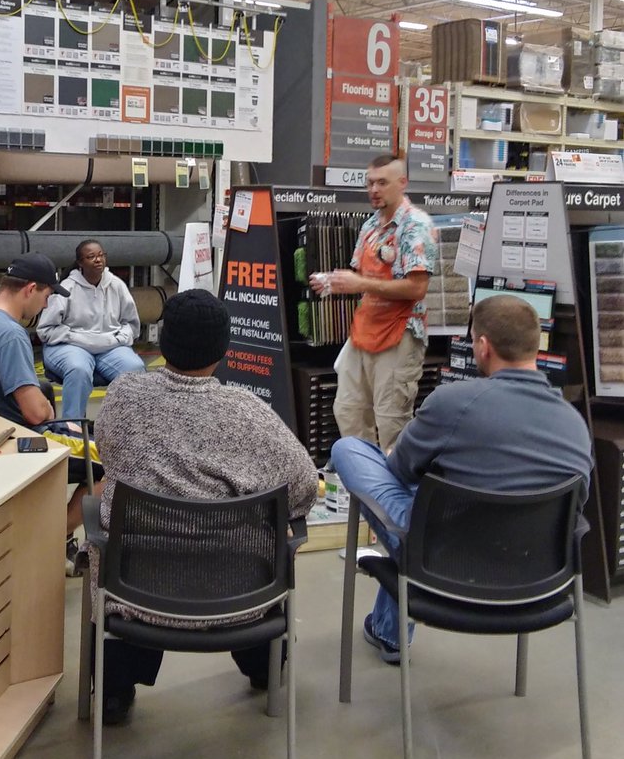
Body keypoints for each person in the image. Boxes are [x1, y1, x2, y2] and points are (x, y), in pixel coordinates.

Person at [92, 288, 318, 725]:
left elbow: (110, 456)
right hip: (239, 591)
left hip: (134, 588)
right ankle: (264, 669)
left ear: (160, 340)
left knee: (119, 547)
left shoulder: (122, 396)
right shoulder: (249, 413)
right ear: (223, 348)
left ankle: (114, 690)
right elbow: (303, 487)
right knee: (255, 547)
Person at [331, 294, 593, 665]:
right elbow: (575, 506)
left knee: (350, 450)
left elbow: (399, 470)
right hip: (538, 578)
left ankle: (393, 635)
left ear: (483, 347)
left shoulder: (453, 402)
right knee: (433, 489)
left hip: (443, 568)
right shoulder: (575, 425)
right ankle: (389, 631)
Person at [0, 253, 102, 538]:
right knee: (114, 459)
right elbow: (35, 413)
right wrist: (48, 410)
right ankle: (56, 538)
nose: (46, 304)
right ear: (30, 289)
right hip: (16, 439)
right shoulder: (10, 334)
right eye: (46, 296)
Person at [312, 154, 436, 453]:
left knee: (392, 421)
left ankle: (392, 495)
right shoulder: (370, 226)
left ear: (402, 183)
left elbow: (417, 288)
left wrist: (361, 284)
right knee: (348, 410)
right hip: (365, 332)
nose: (374, 190)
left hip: (400, 334)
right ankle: (363, 485)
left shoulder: (415, 225)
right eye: (370, 183)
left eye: (382, 182)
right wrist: (335, 281)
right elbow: (361, 276)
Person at [37, 239, 145, 418]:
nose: (98, 260)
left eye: (101, 255)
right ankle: (73, 428)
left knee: (135, 367)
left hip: (110, 346)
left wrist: (118, 339)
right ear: (80, 262)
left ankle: (129, 424)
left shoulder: (116, 285)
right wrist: (77, 338)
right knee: (78, 369)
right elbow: (46, 330)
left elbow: (131, 325)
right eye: (91, 256)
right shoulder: (66, 288)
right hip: (70, 345)